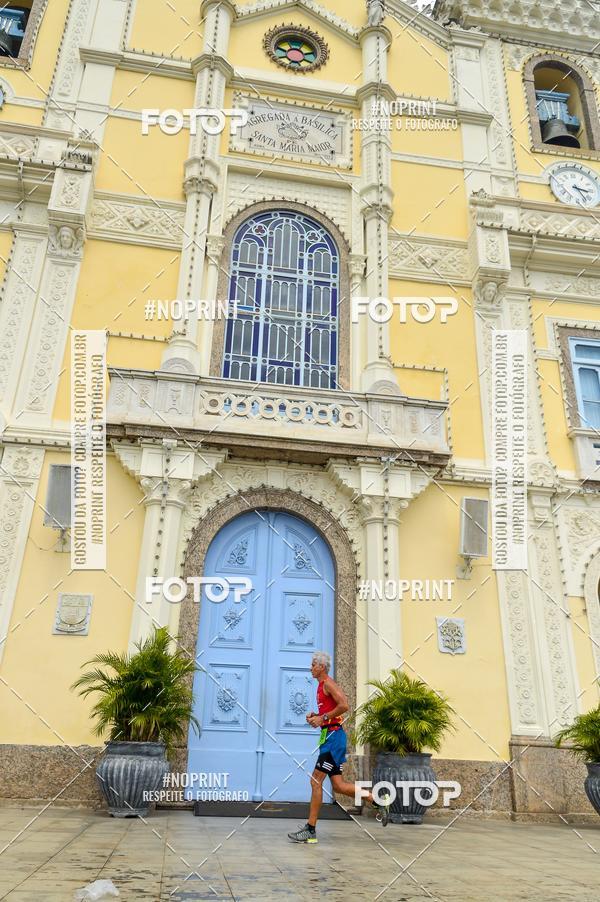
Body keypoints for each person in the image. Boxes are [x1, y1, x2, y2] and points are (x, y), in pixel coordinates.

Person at [288, 651, 389, 844]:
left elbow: (344, 705)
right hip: (331, 737)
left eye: (313, 665)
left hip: (333, 740)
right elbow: (329, 712)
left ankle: (310, 830)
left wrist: (323, 718)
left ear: (322, 667)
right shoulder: (320, 686)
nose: (310, 668)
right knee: (339, 786)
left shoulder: (328, 683)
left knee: (315, 782)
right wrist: (316, 716)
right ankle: (377, 800)